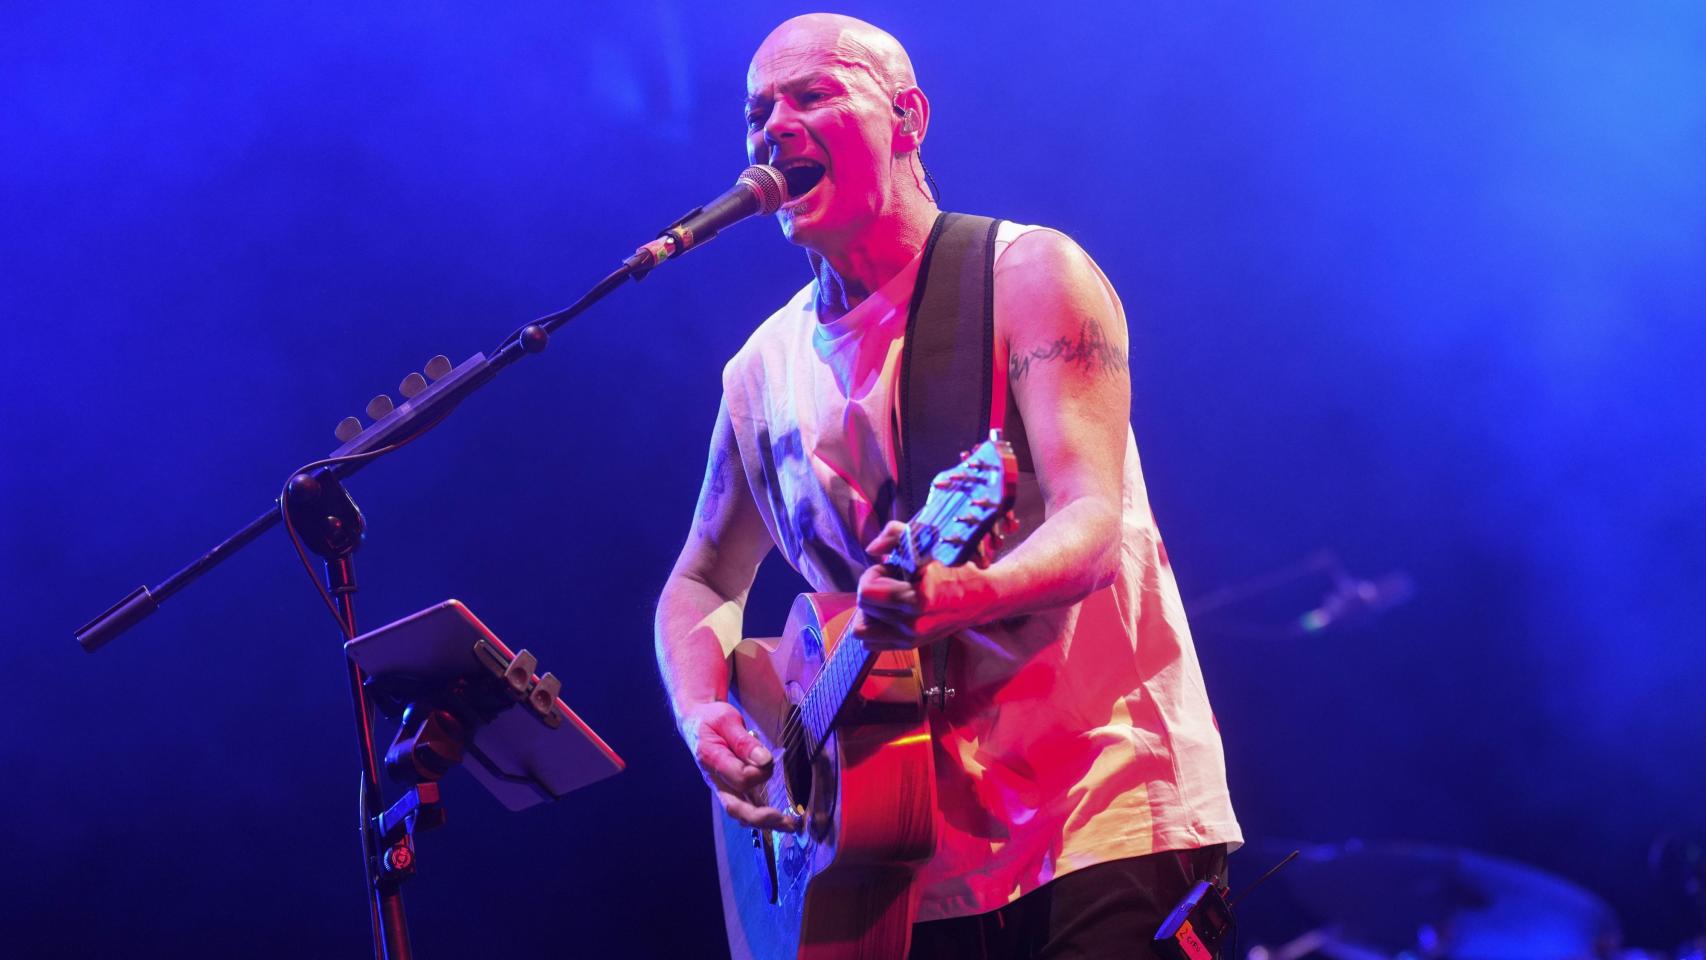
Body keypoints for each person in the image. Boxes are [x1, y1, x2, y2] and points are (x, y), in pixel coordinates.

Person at [653, 13, 1241, 959]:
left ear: (908, 118)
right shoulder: (759, 372)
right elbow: (701, 582)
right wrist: (700, 711)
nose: (775, 127)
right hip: (889, 871)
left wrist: (957, 594)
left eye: (814, 95)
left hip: (1094, 817)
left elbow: (1093, 517)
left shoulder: (1027, 276)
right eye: (759, 110)